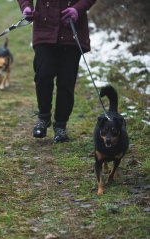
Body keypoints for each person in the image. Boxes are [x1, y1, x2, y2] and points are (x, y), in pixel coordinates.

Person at [17, 0, 96, 143]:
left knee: (66, 82)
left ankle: (60, 126)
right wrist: (26, 7)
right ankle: (43, 117)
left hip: (72, 30)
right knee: (43, 74)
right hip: (44, 29)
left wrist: (78, 9)